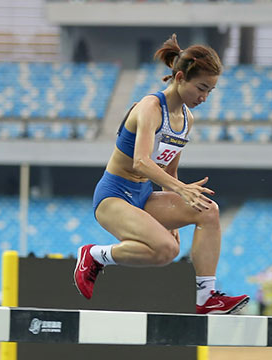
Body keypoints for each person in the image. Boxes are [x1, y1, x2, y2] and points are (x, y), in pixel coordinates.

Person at [74, 34, 249, 315]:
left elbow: (169, 170)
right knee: (167, 250)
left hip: (145, 196)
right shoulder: (150, 108)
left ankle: (206, 297)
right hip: (114, 196)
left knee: (208, 211)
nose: (204, 97)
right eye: (201, 88)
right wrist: (181, 190)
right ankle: (94, 255)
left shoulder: (186, 119)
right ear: (180, 77)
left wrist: (176, 219)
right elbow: (141, 162)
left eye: (210, 91)